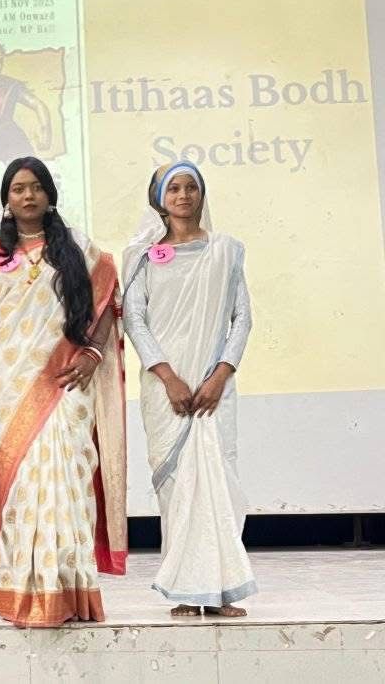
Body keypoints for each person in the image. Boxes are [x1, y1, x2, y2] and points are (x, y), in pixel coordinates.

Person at [0, 156, 127, 628]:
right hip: (8, 386)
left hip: (63, 386)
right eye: (18, 188)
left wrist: (92, 353)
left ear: (49, 195)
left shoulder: (76, 249)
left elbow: (107, 299)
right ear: (6, 199)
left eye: (36, 187)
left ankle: (67, 592)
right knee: (18, 487)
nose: (28, 195)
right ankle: (21, 590)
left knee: (63, 486)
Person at [122, 160, 256, 617]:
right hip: (166, 391)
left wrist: (220, 375)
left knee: (220, 481)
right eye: (173, 188)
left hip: (215, 389)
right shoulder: (142, 256)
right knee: (176, 486)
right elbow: (134, 320)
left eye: (191, 187)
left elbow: (242, 318)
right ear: (159, 198)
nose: (183, 195)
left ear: (201, 194)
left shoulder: (226, 251)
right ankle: (185, 589)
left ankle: (222, 591)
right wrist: (168, 375)